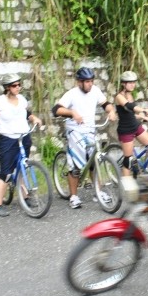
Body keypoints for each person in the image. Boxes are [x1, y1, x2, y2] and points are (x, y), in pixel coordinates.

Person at [51, 67, 117, 209]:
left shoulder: (95, 91)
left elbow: (106, 104)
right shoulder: (71, 94)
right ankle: (73, 196)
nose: (90, 84)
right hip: (75, 131)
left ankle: (98, 192)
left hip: (89, 130)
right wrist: (72, 112)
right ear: (79, 82)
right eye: (87, 81)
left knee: (93, 162)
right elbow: (56, 110)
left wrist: (111, 111)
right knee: (74, 165)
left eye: (91, 81)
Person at [0, 73, 42, 217]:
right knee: (5, 172)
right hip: (8, 139)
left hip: (24, 137)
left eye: (19, 85)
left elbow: (27, 114)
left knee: (23, 166)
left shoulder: (22, 99)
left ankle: (25, 197)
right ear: (7, 87)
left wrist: (34, 118)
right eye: (14, 85)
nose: (18, 87)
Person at [114, 71, 148, 177]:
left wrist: (142, 117)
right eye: (130, 82)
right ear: (123, 83)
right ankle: (125, 187)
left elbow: (130, 114)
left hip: (136, 126)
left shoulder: (130, 95)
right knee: (128, 159)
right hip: (126, 130)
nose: (132, 85)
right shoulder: (119, 97)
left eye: (134, 82)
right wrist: (144, 110)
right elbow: (130, 107)